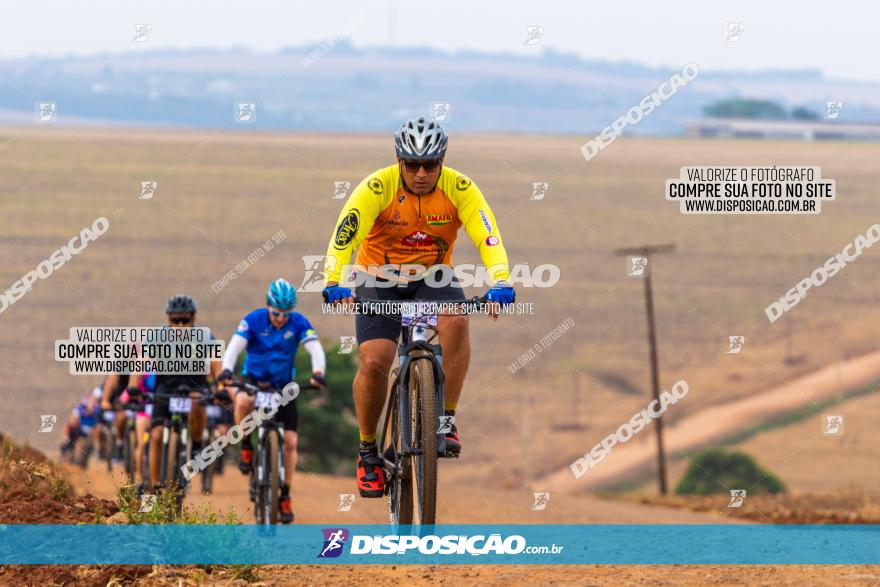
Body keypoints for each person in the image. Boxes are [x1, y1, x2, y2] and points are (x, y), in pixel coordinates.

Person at [322, 116, 515, 498]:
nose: (422, 173)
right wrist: (332, 280)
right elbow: (346, 234)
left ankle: (445, 420)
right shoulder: (377, 187)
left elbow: (486, 233)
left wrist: (502, 279)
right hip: (377, 279)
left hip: (432, 278)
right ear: (399, 160)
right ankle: (367, 452)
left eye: (431, 165)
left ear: (442, 161)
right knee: (375, 360)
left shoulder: (460, 188)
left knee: (457, 322)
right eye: (412, 165)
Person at [218, 278, 327, 524]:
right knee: (243, 401)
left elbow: (315, 348)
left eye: (285, 314)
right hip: (254, 380)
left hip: (283, 387)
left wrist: (318, 372)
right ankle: (245, 445)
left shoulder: (299, 323)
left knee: (290, 441)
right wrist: (226, 370)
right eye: (276, 313)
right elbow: (234, 348)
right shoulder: (253, 320)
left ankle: (285, 495)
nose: (280, 318)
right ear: (268, 306)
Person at [129, 294, 223, 489]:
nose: (180, 325)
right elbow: (141, 361)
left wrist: (220, 389)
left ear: (193, 319)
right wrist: (133, 386)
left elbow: (216, 362)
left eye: (185, 320)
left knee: (198, 403)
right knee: (155, 436)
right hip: (166, 389)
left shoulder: (205, 337)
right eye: (175, 320)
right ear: (168, 319)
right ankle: (153, 489)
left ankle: (197, 446)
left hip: (194, 387)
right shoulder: (158, 337)